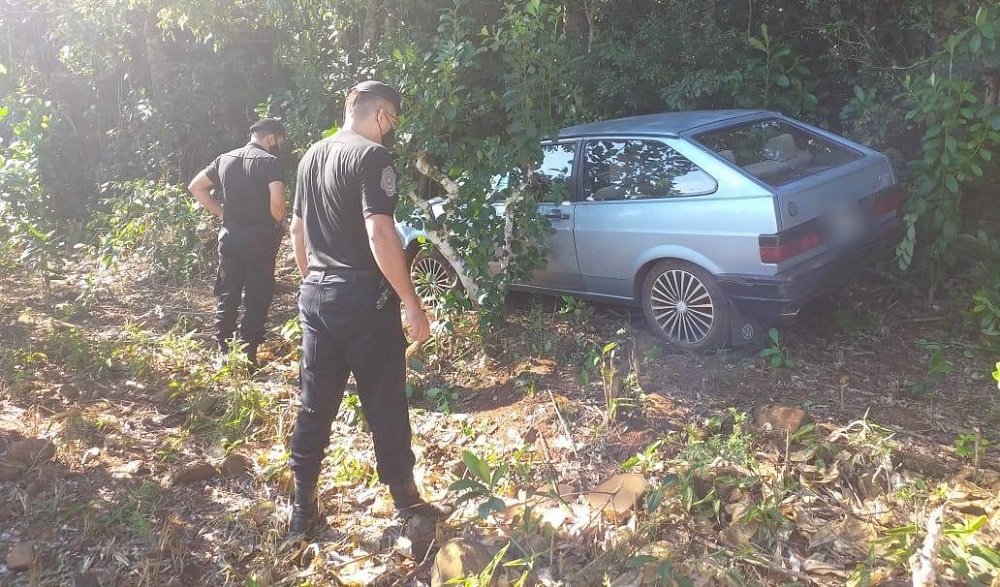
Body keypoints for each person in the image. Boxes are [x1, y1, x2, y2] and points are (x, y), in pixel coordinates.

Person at [287, 81, 446, 537]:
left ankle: (303, 511)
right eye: (393, 121)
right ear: (380, 116)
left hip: (316, 294)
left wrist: (312, 281)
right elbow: (381, 235)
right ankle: (406, 500)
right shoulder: (371, 157)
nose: (392, 131)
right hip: (362, 299)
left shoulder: (310, 156)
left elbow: (297, 232)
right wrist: (412, 304)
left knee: (314, 406)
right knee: (385, 400)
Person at [188, 119, 288, 369]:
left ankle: (224, 351)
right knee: (257, 295)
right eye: (279, 142)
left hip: (230, 237)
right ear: (270, 138)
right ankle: (248, 354)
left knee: (227, 291)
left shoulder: (225, 159)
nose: (279, 146)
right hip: (260, 239)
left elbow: (196, 187)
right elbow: (277, 203)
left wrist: (223, 213)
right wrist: (276, 220)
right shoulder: (271, 163)